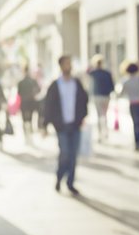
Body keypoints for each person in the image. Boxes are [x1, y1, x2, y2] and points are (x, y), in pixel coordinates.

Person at [42, 55, 88, 195]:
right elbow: (48, 105)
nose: (69, 66)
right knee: (65, 154)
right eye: (66, 64)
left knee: (73, 155)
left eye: (70, 63)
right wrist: (45, 125)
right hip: (61, 126)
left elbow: (84, 100)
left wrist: (82, 118)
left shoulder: (76, 83)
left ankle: (70, 183)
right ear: (61, 66)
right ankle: (59, 176)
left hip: (75, 125)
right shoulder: (55, 85)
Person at [120, 62, 139, 151]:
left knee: (135, 122)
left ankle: (137, 142)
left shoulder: (125, 81)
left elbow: (122, 93)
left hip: (133, 103)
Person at [88, 55, 115, 141]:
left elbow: (86, 71)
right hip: (105, 96)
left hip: (97, 96)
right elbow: (112, 86)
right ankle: (106, 132)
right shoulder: (107, 73)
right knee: (104, 115)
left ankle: (100, 134)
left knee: (99, 115)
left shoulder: (94, 72)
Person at [17, 65, 40, 137]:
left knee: (24, 118)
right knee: (30, 117)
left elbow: (19, 93)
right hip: (31, 101)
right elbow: (38, 90)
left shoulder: (21, 82)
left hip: (24, 101)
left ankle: (26, 131)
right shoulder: (32, 81)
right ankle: (29, 131)